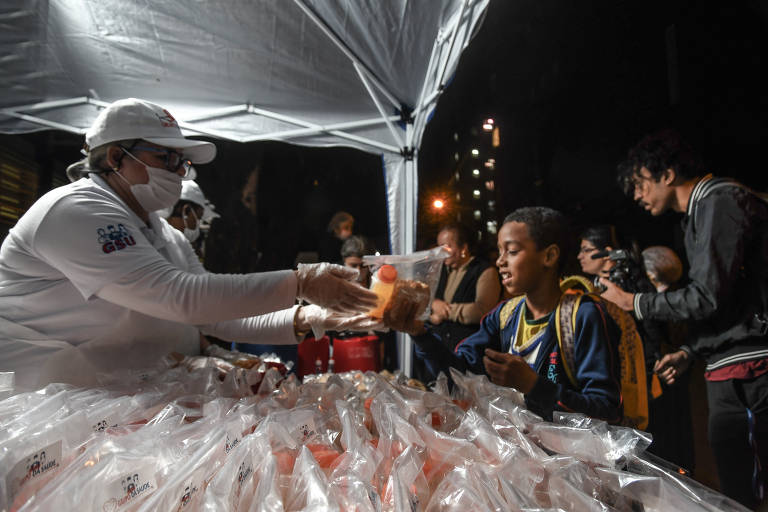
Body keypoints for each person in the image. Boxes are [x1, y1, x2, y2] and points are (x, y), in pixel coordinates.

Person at [0, 98, 378, 391]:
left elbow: (212, 314)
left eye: (180, 162)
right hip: (35, 394)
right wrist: (301, 283)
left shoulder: (164, 234)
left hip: (104, 394)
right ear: (116, 158)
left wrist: (305, 318)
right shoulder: (75, 210)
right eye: (166, 158)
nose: (178, 173)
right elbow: (181, 297)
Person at [600, 129, 768, 508]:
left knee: (748, 490)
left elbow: (706, 297)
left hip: (753, 368)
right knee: (737, 488)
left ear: (668, 174)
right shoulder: (699, 213)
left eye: (640, 184)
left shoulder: (719, 200)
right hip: (730, 367)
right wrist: (690, 351)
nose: (636, 195)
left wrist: (633, 302)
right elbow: (726, 301)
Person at [393, 207, 622, 422]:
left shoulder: (583, 316)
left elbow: (607, 411)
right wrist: (419, 333)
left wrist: (533, 385)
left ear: (550, 256)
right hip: (519, 448)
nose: (500, 261)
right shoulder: (505, 315)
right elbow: (459, 377)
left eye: (511, 251)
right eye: (500, 251)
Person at [429, 224, 501, 351]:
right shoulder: (441, 271)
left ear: (463, 248)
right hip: (442, 349)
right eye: (439, 247)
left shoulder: (485, 271)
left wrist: (445, 312)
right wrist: (433, 304)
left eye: (447, 246)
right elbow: (428, 299)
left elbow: (482, 311)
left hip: (471, 351)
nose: (441, 252)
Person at [161, 179, 219, 258]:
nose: (198, 223)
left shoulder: (180, 246)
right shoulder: (158, 245)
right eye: (199, 217)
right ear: (186, 210)